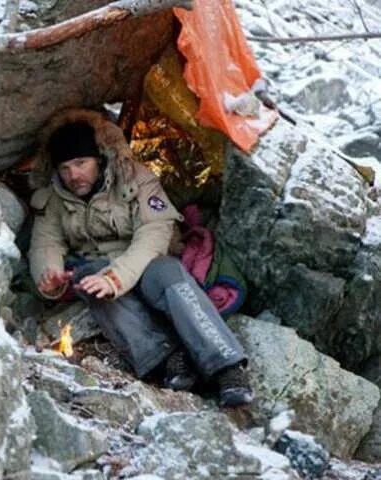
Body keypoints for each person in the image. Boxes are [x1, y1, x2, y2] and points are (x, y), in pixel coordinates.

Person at [28, 108, 253, 407]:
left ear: (99, 158)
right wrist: (50, 276)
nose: (73, 175)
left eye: (81, 163)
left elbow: (154, 232)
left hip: (145, 261)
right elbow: (45, 243)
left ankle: (227, 367)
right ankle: (169, 358)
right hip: (98, 267)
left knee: (167, 273)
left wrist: (115, 278)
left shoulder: (136, 179)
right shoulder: (53, 198)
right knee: (86, 280)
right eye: (65, 168)